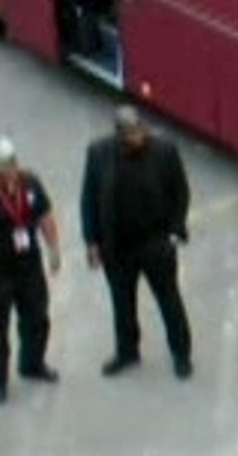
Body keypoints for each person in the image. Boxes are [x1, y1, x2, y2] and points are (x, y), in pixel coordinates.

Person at [81, 105, 194, 378]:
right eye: (130, 134)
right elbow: (88, 198)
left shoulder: (165, 151)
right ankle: (127, 351)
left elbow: (181, 192)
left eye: (139, 131)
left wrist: (175, 232)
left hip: (155, 242)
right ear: (118, 135)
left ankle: (181, 353)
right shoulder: (98, 154)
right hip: (117, 245)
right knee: (122, 303)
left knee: (169, 299)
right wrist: (92, 241)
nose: (137, 138)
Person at [0, 137, 62, 403]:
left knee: (37, 318)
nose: (12, 171)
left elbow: (44, 215)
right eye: (5, 166)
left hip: (29, 266)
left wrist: (53, 249)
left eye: (14, 164)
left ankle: (32, 364)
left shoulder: (30, 182)